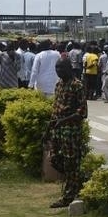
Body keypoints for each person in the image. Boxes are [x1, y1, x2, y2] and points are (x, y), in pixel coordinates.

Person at [47, 57, 88, 208]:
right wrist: (48, 130)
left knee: (71, 163)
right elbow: (55, 109)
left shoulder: (77, 85)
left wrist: (63, 121)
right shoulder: (59, 85)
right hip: (57, 130)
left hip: (71, 130)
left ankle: (69, 196)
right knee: (54, 159)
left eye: (61, 68)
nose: (58, 71)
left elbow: (82, 112)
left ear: (69, 68)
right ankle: (78, 182)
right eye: (56, 68)